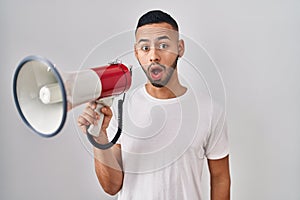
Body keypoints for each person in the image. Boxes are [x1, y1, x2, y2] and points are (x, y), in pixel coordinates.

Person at [78, 10, 231, 200]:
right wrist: (100, 137)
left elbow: (220, 177)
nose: (154, 56)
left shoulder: (209, 111)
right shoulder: (120, 109)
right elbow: (112, 187)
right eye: (145, 48)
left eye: (163, 45)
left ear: (180, 48)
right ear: (136, 53)